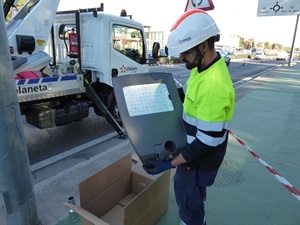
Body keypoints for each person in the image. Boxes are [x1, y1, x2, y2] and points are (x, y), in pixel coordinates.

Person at [143, 9, 235, 225]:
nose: (181, 57)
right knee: (194, 197)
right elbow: (194, 100)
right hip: (194, 154)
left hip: (197, 160)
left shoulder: (215, 85)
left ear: (203, 46)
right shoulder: (202, 68)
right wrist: (178, 94)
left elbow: (205, 143)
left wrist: (170, 164)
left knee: (188, 201)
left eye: (185, 51)